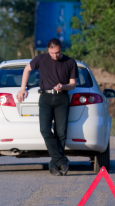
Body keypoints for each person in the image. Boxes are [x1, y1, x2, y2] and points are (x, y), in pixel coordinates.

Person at [16, 38, 77, 176]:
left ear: (61, 49)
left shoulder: (70, 62)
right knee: (44, 129)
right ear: (47, 50)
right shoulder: (40, 59)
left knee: (61, 132)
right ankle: (61, 160)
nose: (55, 55)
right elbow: (27, 69)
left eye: (57, 52)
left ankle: (54, 165)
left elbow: (73, 84)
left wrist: (64, 86)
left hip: (62, 98)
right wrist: (22, 88)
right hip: (45, 98)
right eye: (52, 53)